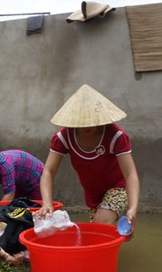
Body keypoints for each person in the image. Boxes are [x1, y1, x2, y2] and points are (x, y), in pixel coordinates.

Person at [38, 84, 140, 236]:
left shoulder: (116, 136)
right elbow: (48, 171)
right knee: (97, 232)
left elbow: (130, 174)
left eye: (91, 120)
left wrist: (133, 208)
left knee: (101, 222)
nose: (87, 126)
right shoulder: (64, 137)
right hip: (92, 193)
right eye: (82, 121)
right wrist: (47, 202)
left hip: (118, 188)